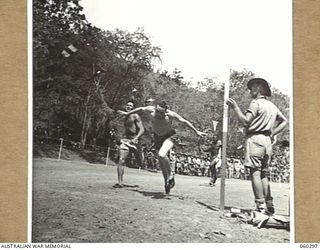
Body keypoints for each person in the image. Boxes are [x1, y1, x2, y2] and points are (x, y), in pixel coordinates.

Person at [226, 78, 288, 214]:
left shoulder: (256, 103)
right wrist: (272, 133)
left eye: (252, 88)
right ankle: (269, 203)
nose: (250, 91)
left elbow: (246, 122)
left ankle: (260, 205)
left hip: (255, 138)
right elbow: (284, 121)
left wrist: (235, 107)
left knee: (255, 172)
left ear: (259, 88)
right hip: (267, 141)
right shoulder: (272, 106)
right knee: (263, 174)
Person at [119, 100, 206, 194]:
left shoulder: (171, 115)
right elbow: (140, 109)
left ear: (166, 111)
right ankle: (167, 183)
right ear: (155, 108)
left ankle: (171, 175)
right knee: (161, 162)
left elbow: (184, 121)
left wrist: (196, 131)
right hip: (157, 137)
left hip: (170, 136)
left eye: (162, 113)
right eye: (158, 112)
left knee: (161, 154)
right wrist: (128, 113)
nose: (159, 115)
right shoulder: (150, 110)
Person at [114, 101, 145, 188]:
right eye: (127, 105)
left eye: (131, 106)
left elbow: (142, 130)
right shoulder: (125, 117)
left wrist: (135, 139)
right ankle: (120, 183)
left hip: (135, 142)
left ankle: (141, 158)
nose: (128, 107)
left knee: (140, 163)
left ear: (133, 108)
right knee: (121, 161)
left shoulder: (135, 116)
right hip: (126, 141)